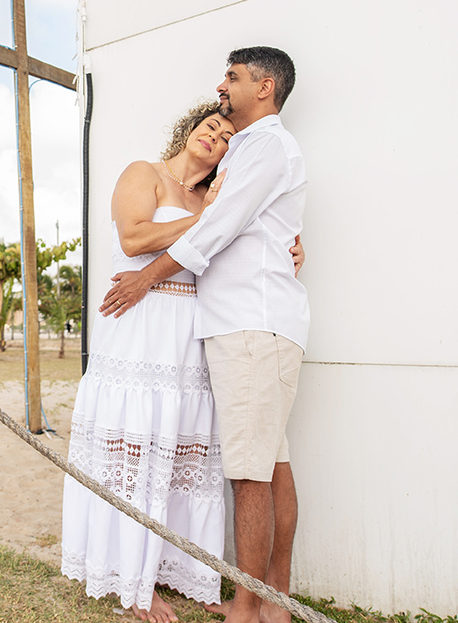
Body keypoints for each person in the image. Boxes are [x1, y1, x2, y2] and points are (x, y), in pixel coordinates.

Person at [101, 46, 308, 623]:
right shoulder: (252, 149)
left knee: (249, 474)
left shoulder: (266, 146)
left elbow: (216, 229)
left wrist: (146, 279)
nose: (223, 86)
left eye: (233, 77)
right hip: (254, 323)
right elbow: (248, 227)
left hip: (250, 324)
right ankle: (273, 603)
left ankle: (249, 608)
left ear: (264, 87)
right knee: (269, 464)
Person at [62, 100, 236, 623]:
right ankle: (136, 583)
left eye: (227, 136)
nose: (215, 136)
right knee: (135, 447)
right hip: (138, 323)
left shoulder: (216, 198)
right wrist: (206, 220)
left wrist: (294, 249)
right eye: (210, 126)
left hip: (188, 334)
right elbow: (134, 236)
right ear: (190, 130)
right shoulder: (145, 174)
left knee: (182, 452)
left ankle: (187, 571)